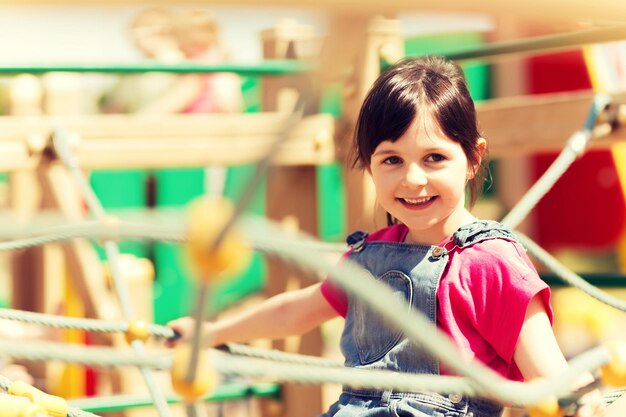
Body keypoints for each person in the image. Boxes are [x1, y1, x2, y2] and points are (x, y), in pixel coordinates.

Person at [166, 56, 606, 417]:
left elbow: (549, 377)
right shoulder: (371, 256)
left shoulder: (491, 263)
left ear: (473, 158)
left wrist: (580, 402)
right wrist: (210, 331)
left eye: (434, 157)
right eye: (391, 160)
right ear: (369, 164)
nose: (413, 180)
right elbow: (293, 313)